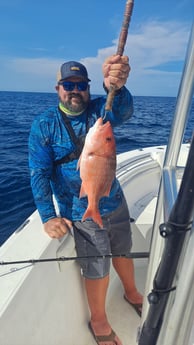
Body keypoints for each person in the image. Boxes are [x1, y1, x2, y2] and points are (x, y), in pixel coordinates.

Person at [29, 55, 143, 345]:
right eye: (68, 84)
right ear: (58, 89)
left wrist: (114, 86)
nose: (74, 90)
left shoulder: (100, 113)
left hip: (114, 201)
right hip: (80, 211)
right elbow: (39, 173)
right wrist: (48, 215)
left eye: (81, 85)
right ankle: (99, 320)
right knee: (97, 266)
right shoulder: (44, 126)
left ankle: (131, 292)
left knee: (123, 251)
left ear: (89, 89)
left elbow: (124, 111)